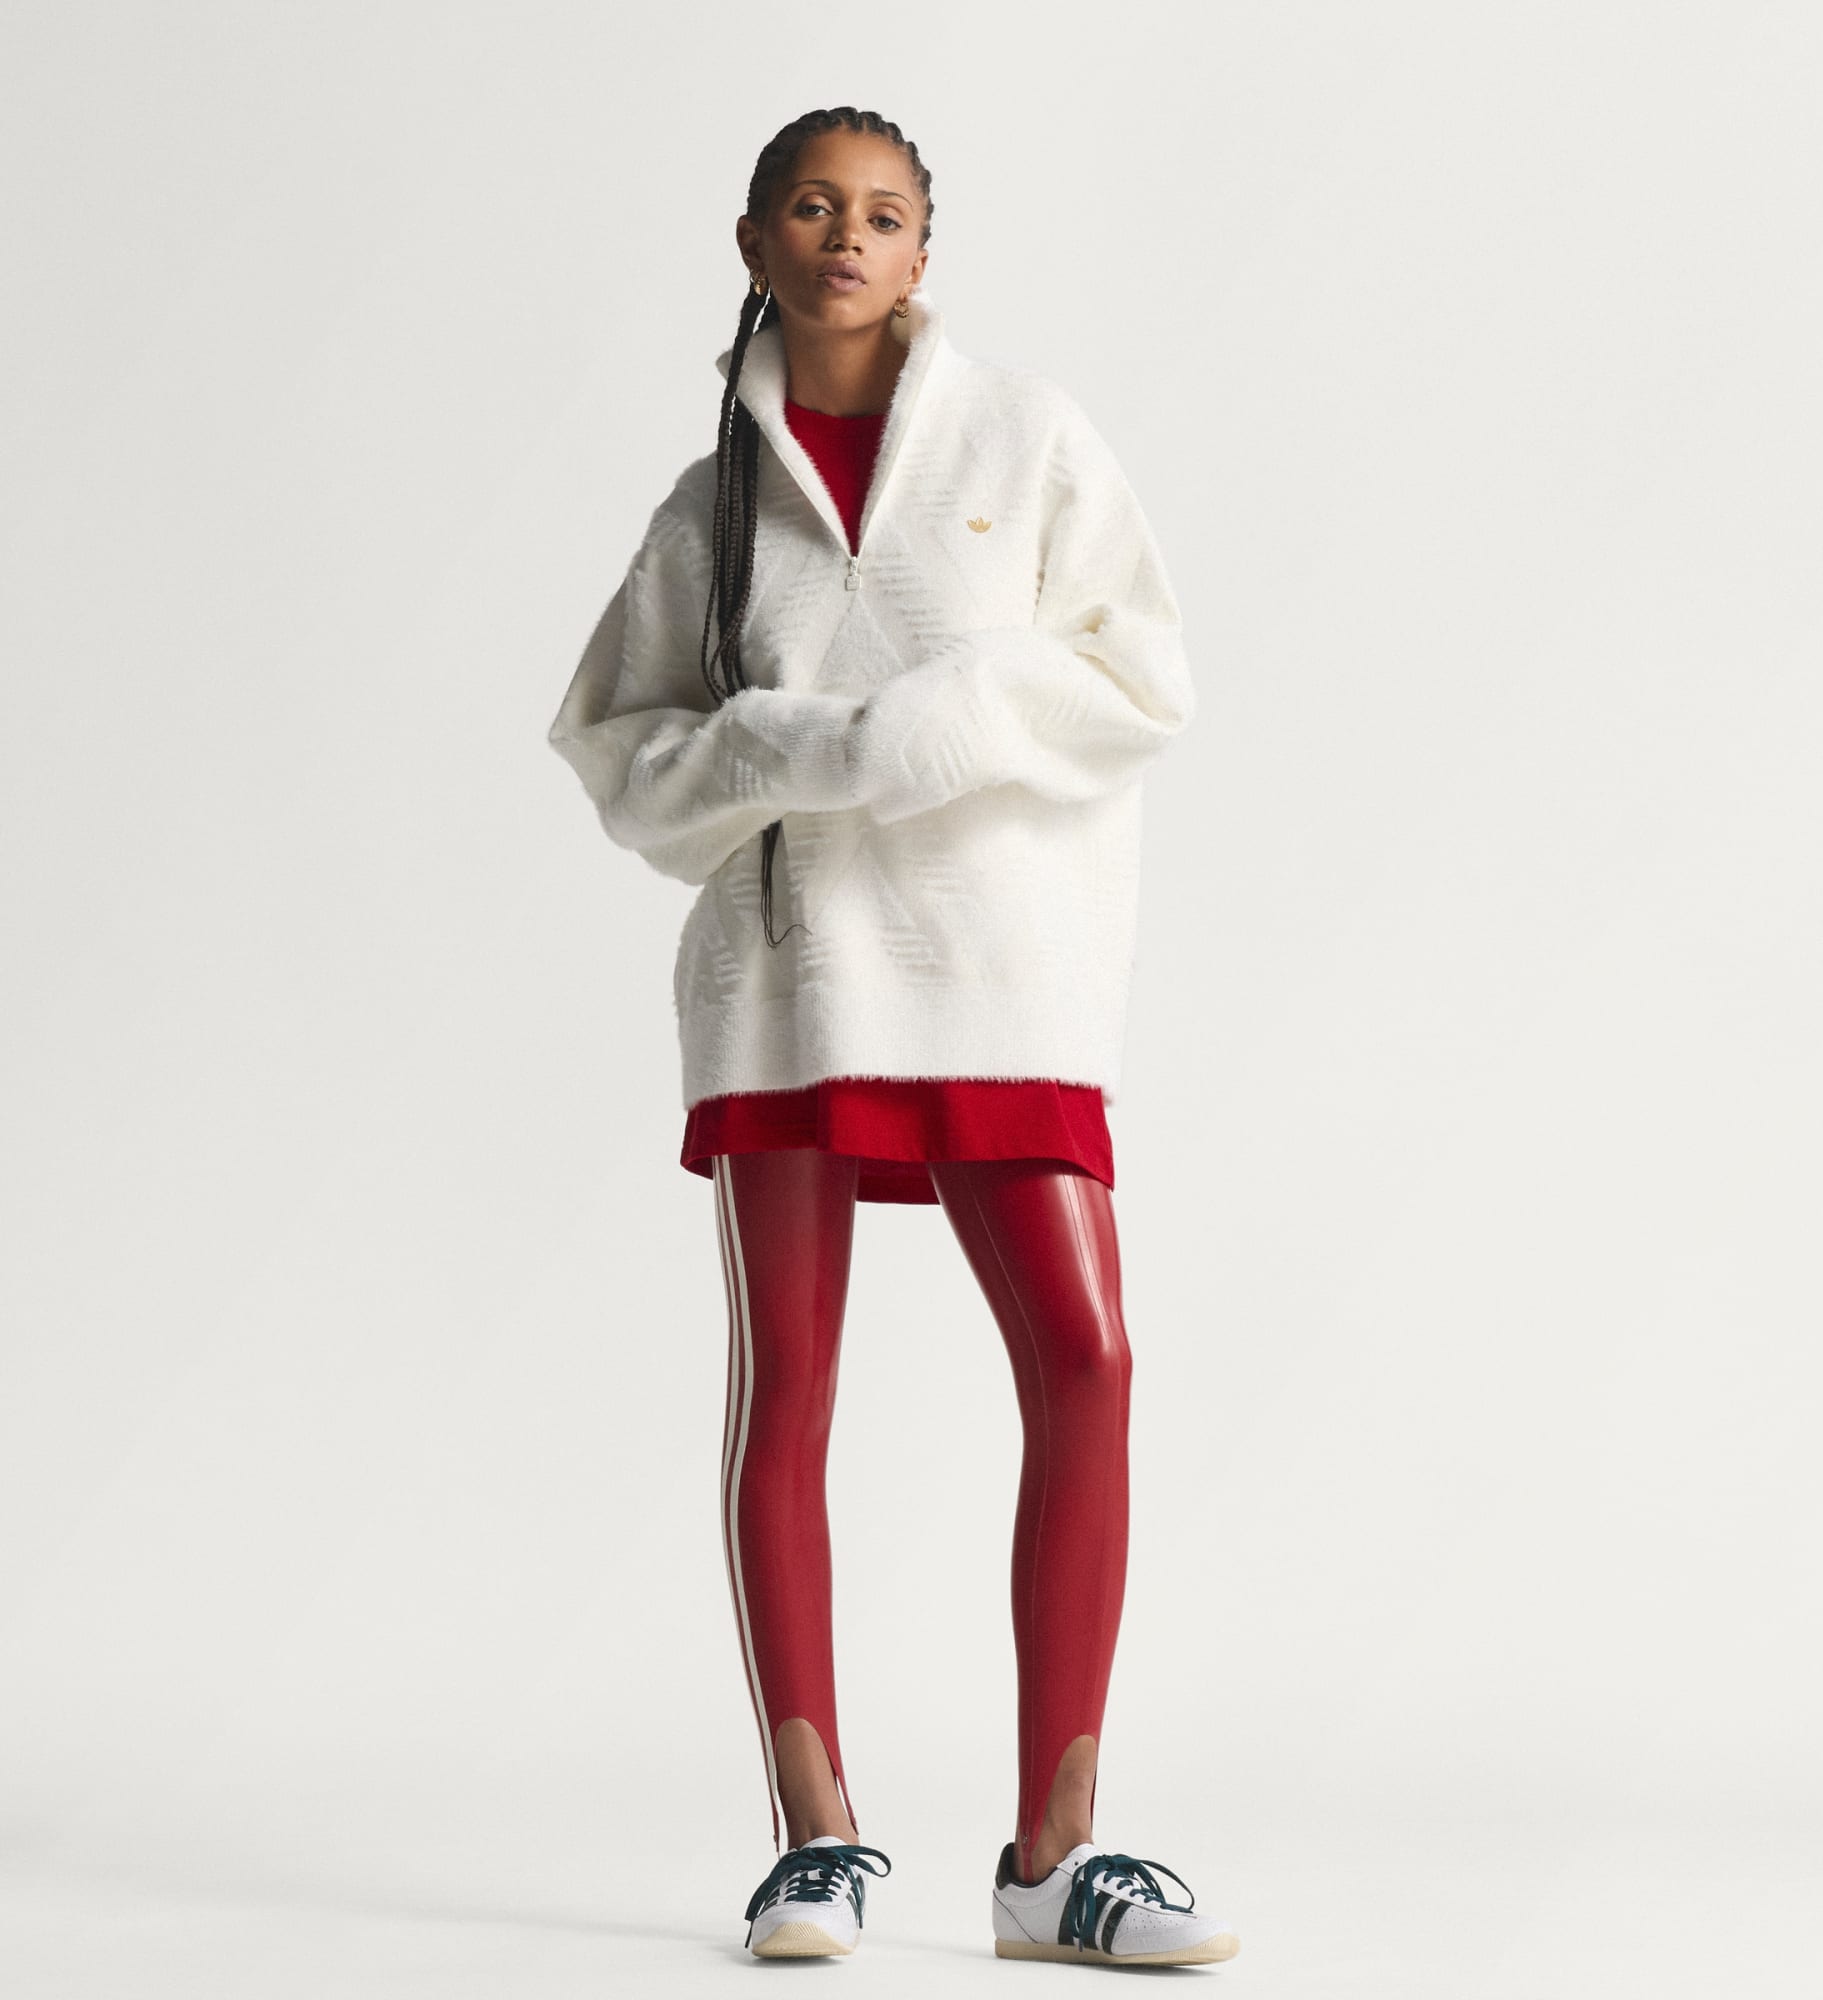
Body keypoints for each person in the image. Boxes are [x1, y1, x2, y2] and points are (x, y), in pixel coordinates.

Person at [548, 105, 1239, 1969]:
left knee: (1086, 1361)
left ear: (928, 248)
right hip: (788, 992)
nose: (846, 237)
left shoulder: (1028, 438)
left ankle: (1056, 1863)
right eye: (811, 207)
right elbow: (619, 754)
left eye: (882, 213)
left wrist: (943, 719)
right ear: (756, 242)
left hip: (1006, 974)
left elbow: (1143, 677)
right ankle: (817, 1837)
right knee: (787, 1388)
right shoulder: (707, 510)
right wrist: (793, 746)